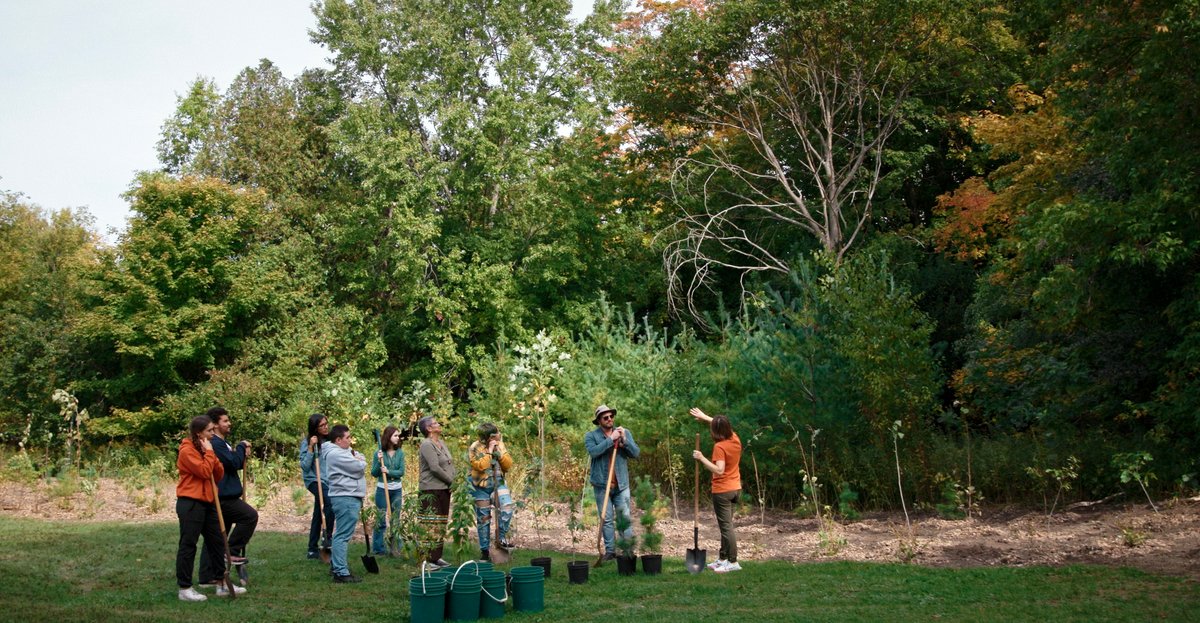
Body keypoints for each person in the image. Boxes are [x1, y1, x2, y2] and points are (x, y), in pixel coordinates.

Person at [174, 415, 245, 602]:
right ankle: (185, 588)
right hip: (190, 502)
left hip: (208, 501)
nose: (213, 434)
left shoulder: (207, 449)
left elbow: (218, 473)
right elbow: (205, 471)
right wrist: (210, 454)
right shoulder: (187, 451)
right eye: (210, 431)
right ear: (199, 434)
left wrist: (210, 455)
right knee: (189, 544)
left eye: (214, 430)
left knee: (217, 541)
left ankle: (221, 582)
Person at [198, 406, 258, 587]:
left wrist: (240, 450)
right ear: (215, 425)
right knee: (249, 516)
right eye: (225, 420)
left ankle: (207, 577)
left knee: (214, 535)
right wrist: (241, 447)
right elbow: (233, 462)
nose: (229, 423)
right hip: (223, 497)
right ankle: (229, 552)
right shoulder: (215, 443)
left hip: (224, 495)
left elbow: (233, 460)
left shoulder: (221, 443)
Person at [584, 404, 640, 560]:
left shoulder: (624, 432)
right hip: (602, 485)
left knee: (624, 518)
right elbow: (594, 452)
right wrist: (611, 439)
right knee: (606, 519)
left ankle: (627, 551)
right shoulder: (591, 436)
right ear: (599, 421)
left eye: (611, 416)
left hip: (621, 485)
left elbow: (636, 453)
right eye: (605, 417)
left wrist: (624, 441)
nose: (609, 419)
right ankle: (610, 551)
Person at [690, 407, 743, 573]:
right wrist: (705, 417)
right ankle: (723, 558)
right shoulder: (735, 438)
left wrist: (701, 458)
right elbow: (720, 424)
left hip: (722, 491)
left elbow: (719, 470)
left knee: (726, 527)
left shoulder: (720, 447)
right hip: (735, 489)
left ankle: (733, 562)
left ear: (716, 431)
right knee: (726, 526)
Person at [323, 424, 368, 583]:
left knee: (341, 533)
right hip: (345, 497)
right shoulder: (336, 454)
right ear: (338, 440)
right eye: (347, 437)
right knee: (342, 535)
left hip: (349, 496)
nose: (350, 440)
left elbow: (359, 455)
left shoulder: (343, 451)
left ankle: (336, 566)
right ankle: (340, 572)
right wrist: (359, 460)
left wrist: (357, 457)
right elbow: (358, 467)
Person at [466, 422, 516, 560]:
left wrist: (498, 454)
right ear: (487, 437)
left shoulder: (500, 445)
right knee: (484, 518)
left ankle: (501, 539)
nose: (497, 437)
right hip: (480, 486)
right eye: (494, 435)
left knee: (507, 508)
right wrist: (489, 450)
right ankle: (485, 551)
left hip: (498, 482)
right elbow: (481, 466)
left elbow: (508, 465)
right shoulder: (474, 447)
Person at [417, 415, 456, 567]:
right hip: (430, 489)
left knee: (440, 524)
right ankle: (425, 559)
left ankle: (436, 557)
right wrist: (451, 481)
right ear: (428, 428)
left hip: (444, 488)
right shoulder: (426, 444)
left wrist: (456, 481)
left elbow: (448, 463)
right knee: (429, 524)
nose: (439, 424)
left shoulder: (441, 443)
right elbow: (434, 468)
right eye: (436, 423)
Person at [300, 413, 335, 559]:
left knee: (318, 513)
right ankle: (326, 538)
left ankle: (312, 549)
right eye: (322, 425)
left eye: (326, 423)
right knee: (329, 503)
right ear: (315, 428)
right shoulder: (308, 442)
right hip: (314, 479)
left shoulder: (330, 441)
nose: (326, 427)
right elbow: (305, 466)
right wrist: (310, 448)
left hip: (328, 480)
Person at [370, 425, 405, 555]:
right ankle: (378, 549)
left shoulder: (400, 452)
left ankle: (396, 547)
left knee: (395, 519)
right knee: (380, 518)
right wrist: (379, 463)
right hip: (382, 489)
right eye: (395, 435)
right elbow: (373, 473)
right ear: (388, 437)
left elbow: (401, 472)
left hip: (396, 489)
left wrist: (388, 471)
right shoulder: (379, 453)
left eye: (398, 435)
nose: (398, 438)